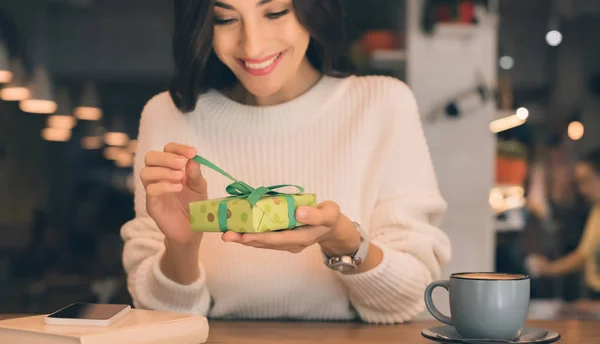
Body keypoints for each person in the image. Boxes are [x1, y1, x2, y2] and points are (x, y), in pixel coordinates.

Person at [120, 0, 451, 324]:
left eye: (275, 12)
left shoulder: (382, 104)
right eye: (225, 18)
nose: (253, 44)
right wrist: (181, 245)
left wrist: (343, 240)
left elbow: (409, 298)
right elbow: (159, 312)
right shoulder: (168, 115)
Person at [527, 148, 600, 297]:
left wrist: (547, 269)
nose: (582, 190)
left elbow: (581, 258)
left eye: (586, 181)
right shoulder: (596, 211)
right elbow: (583, 254)